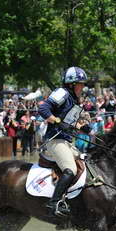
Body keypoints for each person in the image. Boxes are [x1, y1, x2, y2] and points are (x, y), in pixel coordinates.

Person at [38, 66, 89, 218]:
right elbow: (43, 109)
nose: (83, 86)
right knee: (71, 170)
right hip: (55, 140)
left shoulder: (74, 100)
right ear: (72, 84)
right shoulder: (62, 93)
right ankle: (53, 203)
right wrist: (57, 120)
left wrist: (83, 127)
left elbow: (69, 123)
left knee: (86, 163)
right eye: (81, 83)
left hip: (66, 142)